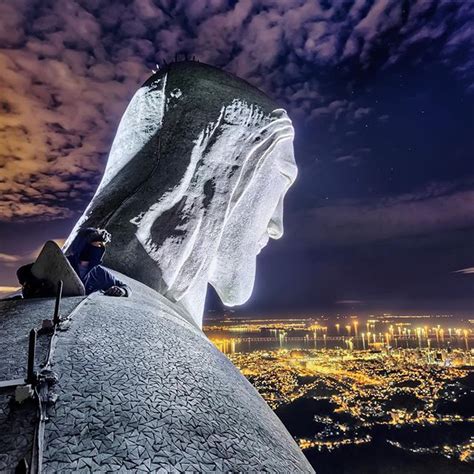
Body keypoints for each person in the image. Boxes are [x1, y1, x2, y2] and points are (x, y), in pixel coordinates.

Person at [17, 227, 130, 298]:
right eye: (97, 244)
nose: (99, 248)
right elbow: (23, 272)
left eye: (101, 245)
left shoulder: (99, 273)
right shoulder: (62, 263)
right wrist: (35, 283)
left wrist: (121, 290)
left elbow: (125, 287)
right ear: (83, 245)